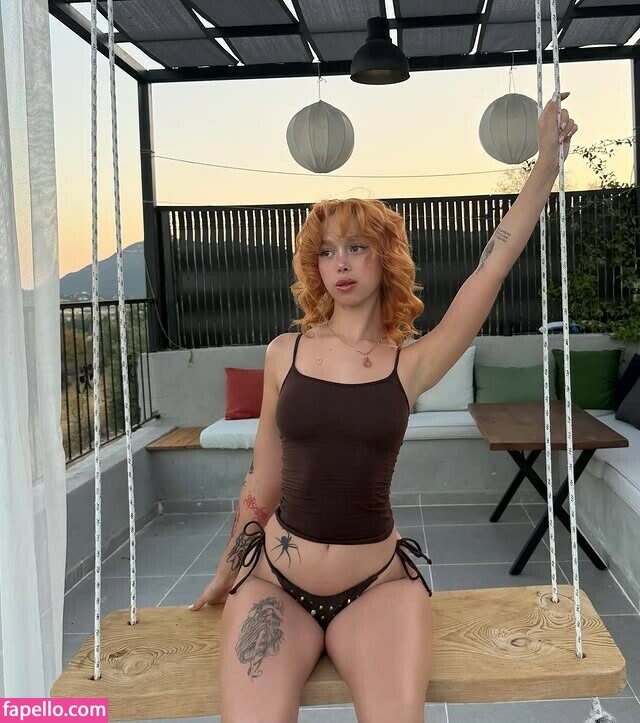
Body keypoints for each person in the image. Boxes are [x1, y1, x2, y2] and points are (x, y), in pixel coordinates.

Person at [190, 92, 577, 722]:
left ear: (384, 258)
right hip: (274, 584)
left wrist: (545, 168)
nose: (340, 263)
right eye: (327, 251)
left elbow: (494, 262)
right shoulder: (284, 353)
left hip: (376, 590)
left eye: (356, 247)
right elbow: (263, 479)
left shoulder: (411, 363)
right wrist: (226, 566)